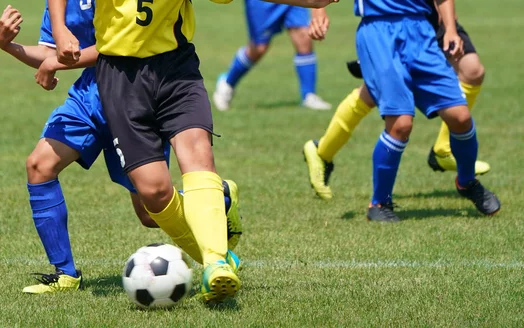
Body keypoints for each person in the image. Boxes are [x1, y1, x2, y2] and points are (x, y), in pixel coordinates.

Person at [0, 1, 242, 294]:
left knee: (150, 211)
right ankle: (65, 273)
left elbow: (119, 44)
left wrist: (59, 62)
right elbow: (52, 54)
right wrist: (7, 45)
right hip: (89, 96)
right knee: (39, 165)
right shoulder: (62, 5)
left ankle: (218, 202)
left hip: (134, 88)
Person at [306, 0, 500, 221]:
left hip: (422, 30)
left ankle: (466, 182)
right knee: (400, 124)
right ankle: (379, 203)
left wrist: (451, 30)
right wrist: (318, 11)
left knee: (461, 117)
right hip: (378, 31)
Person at [212, 1, 332, 111]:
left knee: (304, 37)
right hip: (262, 3)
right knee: (259, 48)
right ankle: (227, 83)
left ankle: (309, 95)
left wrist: (319, 8)